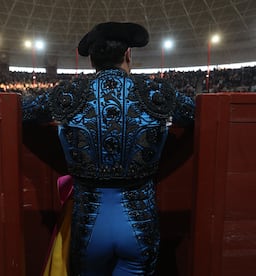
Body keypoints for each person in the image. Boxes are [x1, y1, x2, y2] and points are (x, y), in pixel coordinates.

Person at [22, 21, 195, 276]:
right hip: (139, 221)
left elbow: (23, 113)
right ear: (128, 54)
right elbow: (198, 115)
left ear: (92, 61)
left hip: (89, 221)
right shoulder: (155, 91)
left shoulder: (68, 93)